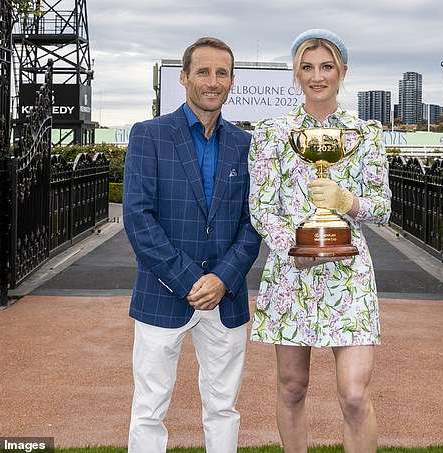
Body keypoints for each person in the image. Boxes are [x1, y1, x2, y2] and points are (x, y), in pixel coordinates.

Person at [248, 29, 391, 452]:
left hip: (349, 275)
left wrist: (348, 202)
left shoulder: (365, 134)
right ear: (296, 74)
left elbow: (383, 206)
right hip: (292, 274)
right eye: (307, 67)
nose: (317, 76)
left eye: (326, 66)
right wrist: (295, 249)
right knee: (292, 388)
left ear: (342, 72)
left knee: (353, 394)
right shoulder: (273, 133)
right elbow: (261, 206)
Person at [123, 37, 261, 453]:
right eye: (203, 71)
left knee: (223, 408)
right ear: (184, 78)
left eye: (222, 73)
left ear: (232, 81)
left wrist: (222, 278)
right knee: (149, 408)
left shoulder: (245, 145)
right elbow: (138, 219)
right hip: (163, 293)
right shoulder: (149, 135)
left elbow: (253, 222)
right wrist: (189, 279)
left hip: (226, 297)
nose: (212, 81)